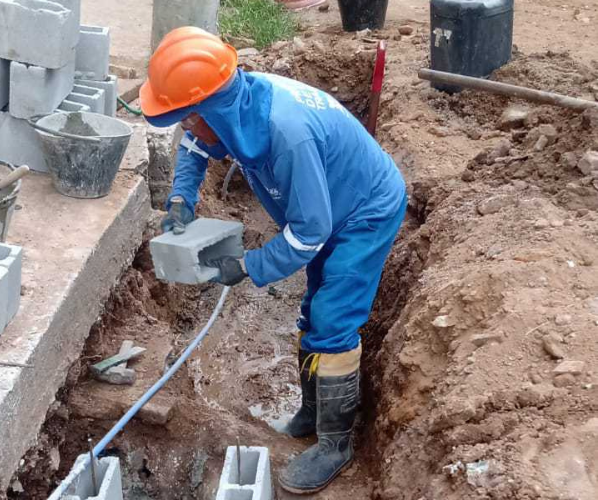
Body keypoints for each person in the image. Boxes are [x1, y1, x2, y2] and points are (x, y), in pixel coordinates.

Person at [140, 27, 407, 494]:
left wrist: (249, 266)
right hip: (329, 204)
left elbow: (309, 232)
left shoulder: (287, 135)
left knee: (332, 317)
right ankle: (312, 409)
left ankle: (336, 445)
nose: (187, 127)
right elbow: (196, 146)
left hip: (364, 210)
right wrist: (182, 195)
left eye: (189, 118)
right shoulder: (234, 109)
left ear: (212, 112)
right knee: (312, 309)